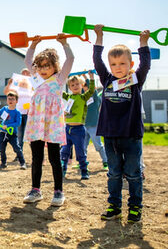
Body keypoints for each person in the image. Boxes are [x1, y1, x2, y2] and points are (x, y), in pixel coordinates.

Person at [93, 25, 151, 223]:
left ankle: (135, 208)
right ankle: (114, 206)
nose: (118, 67)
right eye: (114, 64)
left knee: (134, 174)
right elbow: (97, 61)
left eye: (122, 63)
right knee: (114, 174)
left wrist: (143, 44)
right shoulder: (107, 79)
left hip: (131, 135)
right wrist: (99, 37)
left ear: (130, 63)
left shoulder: (136, 80)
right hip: (110, 136)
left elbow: (145, 65)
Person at [22, 34, 74, 207]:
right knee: (36, 157)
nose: (43, 69)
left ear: (54, 67)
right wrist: (33, 44)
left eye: (47, 66)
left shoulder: (59, 79)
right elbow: (28, 60)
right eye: (41, 66)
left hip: (52, 124)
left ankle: (58, 192)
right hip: (36, 123)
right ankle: (35, 190)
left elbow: (70, 59)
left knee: (54, 158)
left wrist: (65, 44)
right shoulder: (35, 78)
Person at [60, 73, 94, 179]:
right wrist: (59, 80)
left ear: (81, 85)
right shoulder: (68, 96)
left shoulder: (84, 97)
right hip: (67, 129)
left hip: (78, 130)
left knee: (80, 152)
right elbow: (59, 92)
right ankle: (63, 169)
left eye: (77, 84)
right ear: (69, 87)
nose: (75, 86)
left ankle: (84, 170)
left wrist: (91, 78)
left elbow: (91, 91)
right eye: (72, 85)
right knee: (64, 150)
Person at [3, 68, 32, 162]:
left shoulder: (32, 87)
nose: (25, 75)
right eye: (23, 74)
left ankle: (35, 156)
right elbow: (6, 92)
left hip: (29, 114)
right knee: (19, 135)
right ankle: (19, 155)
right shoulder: (16, 88)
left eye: (27, 73)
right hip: (18, 114)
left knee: (31, 135)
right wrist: (9, 84)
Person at [81, 77, 108, 170]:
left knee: (98, 145)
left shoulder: (95, 97)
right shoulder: (83, 97)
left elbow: (92, 88)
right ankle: (83, 163)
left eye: (85, 86)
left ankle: (105, 162)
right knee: (83, 146)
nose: (84, 88)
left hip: (93, 125)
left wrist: (86, 78)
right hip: (84, 125)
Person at [0, 91, 26, 169]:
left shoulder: (17, 112)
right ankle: (3, 163)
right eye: (9, 99)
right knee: (2, 149)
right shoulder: (4, 109)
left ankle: (22, 163)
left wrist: (8, 126)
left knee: (17, 148)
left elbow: (18, 123)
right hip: (3, 133)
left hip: (12, 134)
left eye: (13, 99)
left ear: (16, 101)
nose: (10, 100)